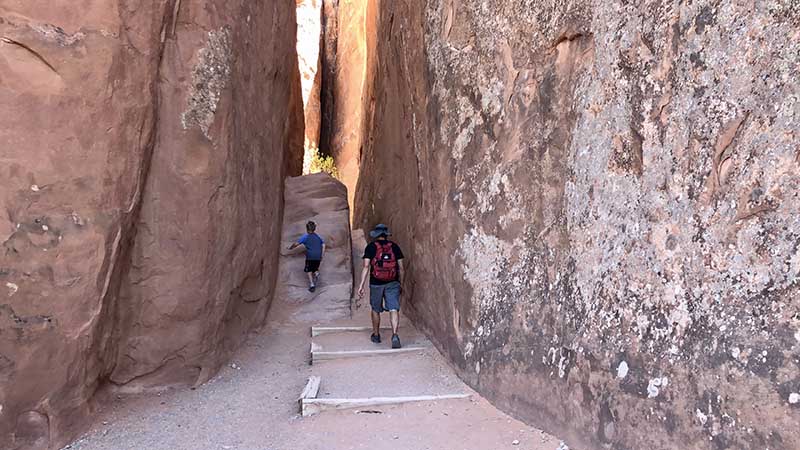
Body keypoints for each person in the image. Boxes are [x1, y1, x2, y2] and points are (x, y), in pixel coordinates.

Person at [357, 224, 405, 348]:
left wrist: (361, 285)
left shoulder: (371, 247)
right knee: (394, 308)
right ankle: (394, 334)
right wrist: (401, 284)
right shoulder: (395, 247)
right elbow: (401, 268)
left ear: (376, 235)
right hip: (392, 282)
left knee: (375, 309)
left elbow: (366, 267)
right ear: (386, 235)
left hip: (376, 283)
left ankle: (376, 335)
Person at [288, 221, 326, 292]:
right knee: (315, 266)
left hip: (310, 257)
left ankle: (312, 285)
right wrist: (322, 255)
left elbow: (296, 244)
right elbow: (323, 244)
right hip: (318, 256)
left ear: (307, 229)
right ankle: (316, 273)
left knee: (308, 270)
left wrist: (291, 248)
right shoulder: (318, 237)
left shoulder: (305, 237)